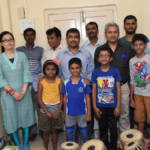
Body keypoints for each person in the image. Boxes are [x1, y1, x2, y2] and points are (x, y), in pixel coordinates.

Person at [94, 22, 135, 133]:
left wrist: (132, 90)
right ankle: (109, 142)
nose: (112, 35)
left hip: (123, 86)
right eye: (110, 32)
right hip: (105, 88)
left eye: (115, 32)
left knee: (124, 114)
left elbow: (132, 69)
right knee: (106, 116)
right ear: (105, 34)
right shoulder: (100, 50)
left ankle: (125, 141)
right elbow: (96, 71)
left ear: (118, 33)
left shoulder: (127, 48)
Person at [0, 31, 35, 150]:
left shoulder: (22, 55)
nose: (9, 42)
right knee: (11, 119)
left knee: (26, 117)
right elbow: (1, 78)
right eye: (5, 40)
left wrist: (23, 92)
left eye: (11, 39)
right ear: (1, 44)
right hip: (8, 95)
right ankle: (17, 144)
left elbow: (27, 73)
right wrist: (13, 93)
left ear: (14, 41)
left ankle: (25, 143)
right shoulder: (0, 58)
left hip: (24, 93)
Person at [16, 28, 44, 140]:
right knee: (28, 109)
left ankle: (42, 130)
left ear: (35, 36)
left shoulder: (40, 50)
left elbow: (43, 65)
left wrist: (42, 78)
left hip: (38, 83)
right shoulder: (18, 50)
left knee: (40, 107)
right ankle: (32, 132)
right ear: (24, 37)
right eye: (27, 35)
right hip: (24, 84)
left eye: (32, 35)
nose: (30, 37)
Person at [92, 46, 121, 150]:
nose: (104, 58)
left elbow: (118, 89)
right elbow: (94, 90)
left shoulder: (115, 71)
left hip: (113, 107)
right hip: (100, 107)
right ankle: (104, 147)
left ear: (110, 58)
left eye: (106, 55)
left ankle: (113, 147)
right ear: (98, 59)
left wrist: (118, 107)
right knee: (103, 130)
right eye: (101, 56)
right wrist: (94, 107)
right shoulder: (95, 72)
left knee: (113, 130)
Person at [61, 57, 91, 143]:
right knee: (70, 135)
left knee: (84, 135)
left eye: (77, 68)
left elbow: (88, 98)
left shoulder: (85, 83)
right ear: (69, 69)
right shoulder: (66, 83)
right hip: (69, 114)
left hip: (82, 113)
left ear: (81, 68)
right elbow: (64, 98)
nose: (75, 70)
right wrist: (64, 113)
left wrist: (89, 113)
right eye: (72, 68)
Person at [38, 60, 63, 150]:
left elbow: (61, 98)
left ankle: (55, 147)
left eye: (53, 69)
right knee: (46, 131)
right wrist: (47, 111)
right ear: (44, 70)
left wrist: (58, 111)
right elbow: (39, 99)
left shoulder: (59, 81)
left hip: (57, 109)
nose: (51, 71)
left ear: (56, 70)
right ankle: (46, 148)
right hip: (45, 109)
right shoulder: (41, 82)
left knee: (54, 131)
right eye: (48, 69)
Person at [129, 34, 150, 133]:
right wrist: (131, 97)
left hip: (149, 94)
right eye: (136, 45)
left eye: (141, 44)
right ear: (133, 46)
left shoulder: (149, 59)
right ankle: (140, 140)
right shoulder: (132, 61)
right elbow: (132, 80)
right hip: (137, 94)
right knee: (140, 118)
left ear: (145, 45)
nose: (138, 47)